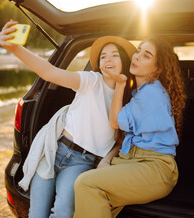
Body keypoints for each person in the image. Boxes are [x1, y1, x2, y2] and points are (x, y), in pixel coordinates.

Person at [0, 19, 136, 218]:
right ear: (98, 64)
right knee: (36, 214)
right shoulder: (91, 80)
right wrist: (16, 49)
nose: (108, 59)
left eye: (115, 55)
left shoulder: (129, 98)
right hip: (55, 150)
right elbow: (49, 72)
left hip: (82, 162)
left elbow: (121, 137)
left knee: (63, 213)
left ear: (124, 61)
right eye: (104, 56)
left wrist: (107, 159)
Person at [73, 36, 186, 218]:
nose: (137, 56)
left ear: (157, 69)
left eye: (146, 55)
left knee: (86, 184)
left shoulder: (152, 93)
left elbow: (115, 122)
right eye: (139, 50)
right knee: (91, 200)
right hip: (134, 161)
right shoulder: (140, 92)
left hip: (155, 168)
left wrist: (120, 83)